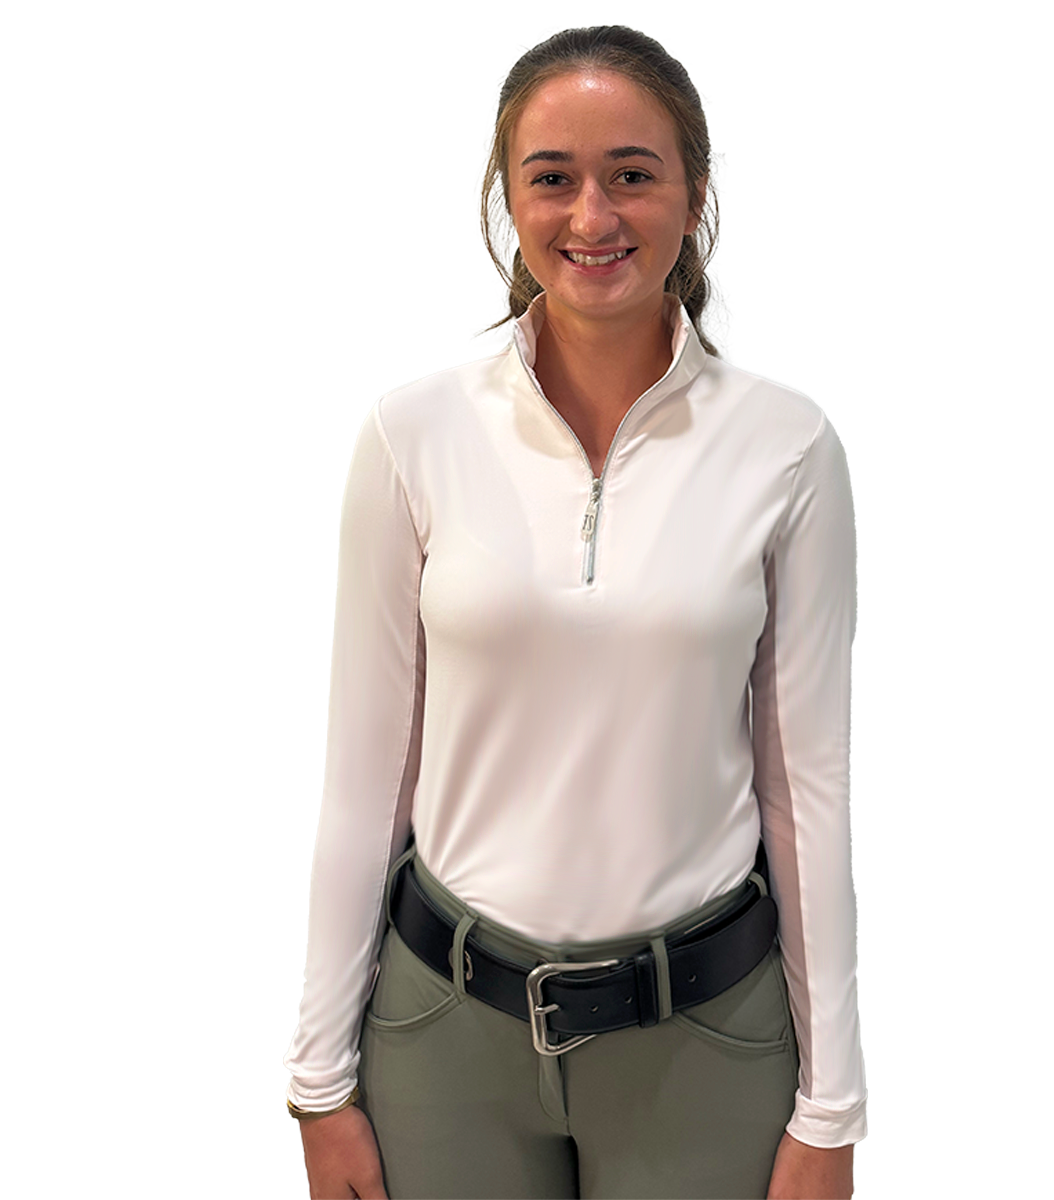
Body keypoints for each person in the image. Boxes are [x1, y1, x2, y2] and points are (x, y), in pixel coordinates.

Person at [284, 25, 867, 1200]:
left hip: (707, 1041)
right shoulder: (413, 435)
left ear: (695, 193)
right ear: (507, 198)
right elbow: (366, 782)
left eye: (632, 174)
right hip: (444, 1040)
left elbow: (804, 792)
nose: (592, 215)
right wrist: (318, 1080)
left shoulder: (787, 447)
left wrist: (833, 1106)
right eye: (552, 177)